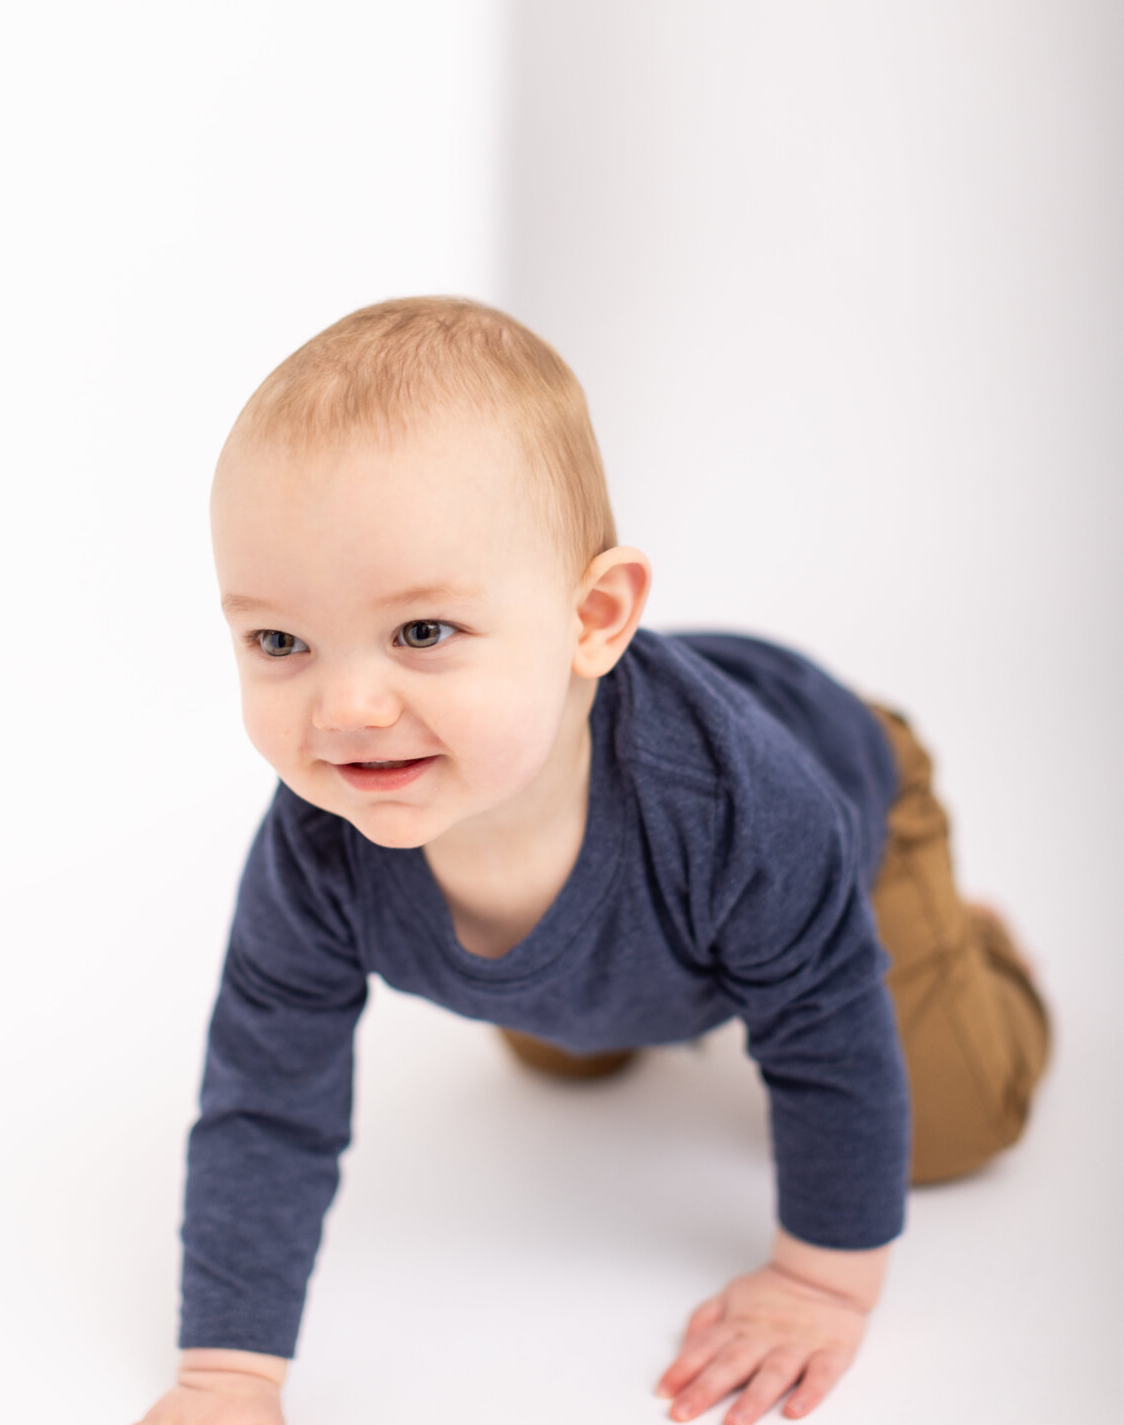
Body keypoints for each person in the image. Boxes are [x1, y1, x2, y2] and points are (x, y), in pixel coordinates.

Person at [134, 295, 1051, 1425]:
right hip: (596, 846)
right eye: (281, 640)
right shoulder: (325, 839)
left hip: (848, 804)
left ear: (595, 617)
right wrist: (228, 1375)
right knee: (566, 1054)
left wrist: (821, 1283)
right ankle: (660, 972)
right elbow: (266, 1100)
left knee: (950, 1124)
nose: (349, 707)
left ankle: (967, 946)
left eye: (422, 632)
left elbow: (828, 1035)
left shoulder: (735, 803)